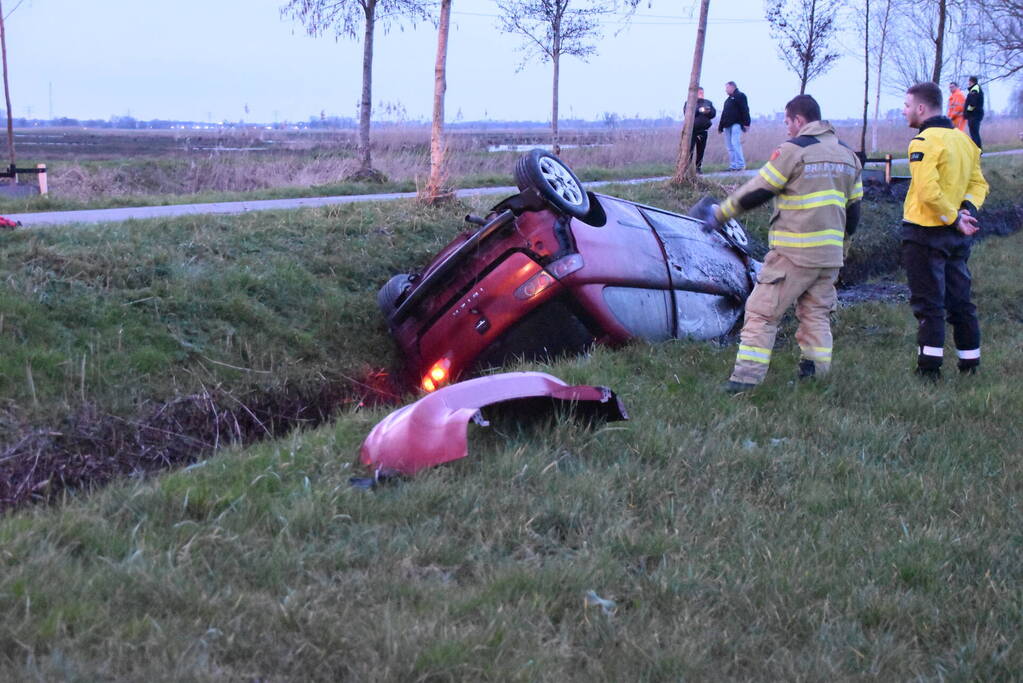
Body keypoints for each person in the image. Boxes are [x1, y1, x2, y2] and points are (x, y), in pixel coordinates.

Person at [696, 94, 862, 392]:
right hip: (829, 257)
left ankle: (745, 381)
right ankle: (815, 378)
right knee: (816, 315)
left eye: (787, 122)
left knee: (761, 313)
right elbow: (854, 212)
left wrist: (719, 215)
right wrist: (843, 248)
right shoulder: (849, 156)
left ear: (799, 120)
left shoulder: (793, 151)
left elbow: (758, 190)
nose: (787, 128)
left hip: (794, 254)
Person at [900, 81, 988, 379]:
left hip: (925, 233)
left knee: (929, 305)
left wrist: (953, 217)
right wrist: (966, 210)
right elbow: (979, 184)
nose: (904, 111)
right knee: (961, 302)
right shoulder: (965, 141)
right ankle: (970, 364)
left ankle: (928, 371)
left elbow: (927, 191)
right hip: (957, 235)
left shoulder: (923, 142)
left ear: (921, 108)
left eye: (907, 106)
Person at [718, 81, 751, 171]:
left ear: (732, 87)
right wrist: (720, 127)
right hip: (726, 125)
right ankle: (733, 166)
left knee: (735, 143)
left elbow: (745, 109)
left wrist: (747, 123)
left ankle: (740, 165)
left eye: (727, 88)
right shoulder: (728, 100)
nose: (725, 90)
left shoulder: (740, 96)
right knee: (729, 146)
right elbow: (724, 114)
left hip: (736, 124)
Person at [684, 87, 716, 173]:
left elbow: (713, 114)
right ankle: (688, 169)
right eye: (699, 93)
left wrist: (709, 112)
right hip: (692, 131)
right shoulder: (689, 103)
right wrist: (698, 110)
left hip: (703, 130)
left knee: (701, 151)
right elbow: (686, 114)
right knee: (690, 150)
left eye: (702, 92)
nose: (701, 94)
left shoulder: (708, 102)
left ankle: (698, 168)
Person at [965, 76, 985, 149]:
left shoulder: (974, 89)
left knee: (974, 134)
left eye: (969, 81)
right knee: (975, 133)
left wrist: (968, 112)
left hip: (974, 115)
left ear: (971, 81)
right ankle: (978, 150)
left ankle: (977, 150)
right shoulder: (976, 88)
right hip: (976, 114)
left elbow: (972, 103)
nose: (968, 83)